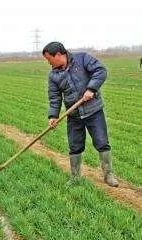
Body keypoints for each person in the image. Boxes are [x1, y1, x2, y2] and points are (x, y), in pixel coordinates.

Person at [42, 41, 118, 187]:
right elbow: (54, 97)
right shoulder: (53, 75)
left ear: (58, 55)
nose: (48, 62)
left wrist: (91, 89)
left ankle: (108, 175)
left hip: (93, 111)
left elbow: (101, 71)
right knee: (74, 146)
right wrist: (53, 116)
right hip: (74, 115)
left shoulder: (82, 59)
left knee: (102, 142)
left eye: (49, 59)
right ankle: (75, 177)